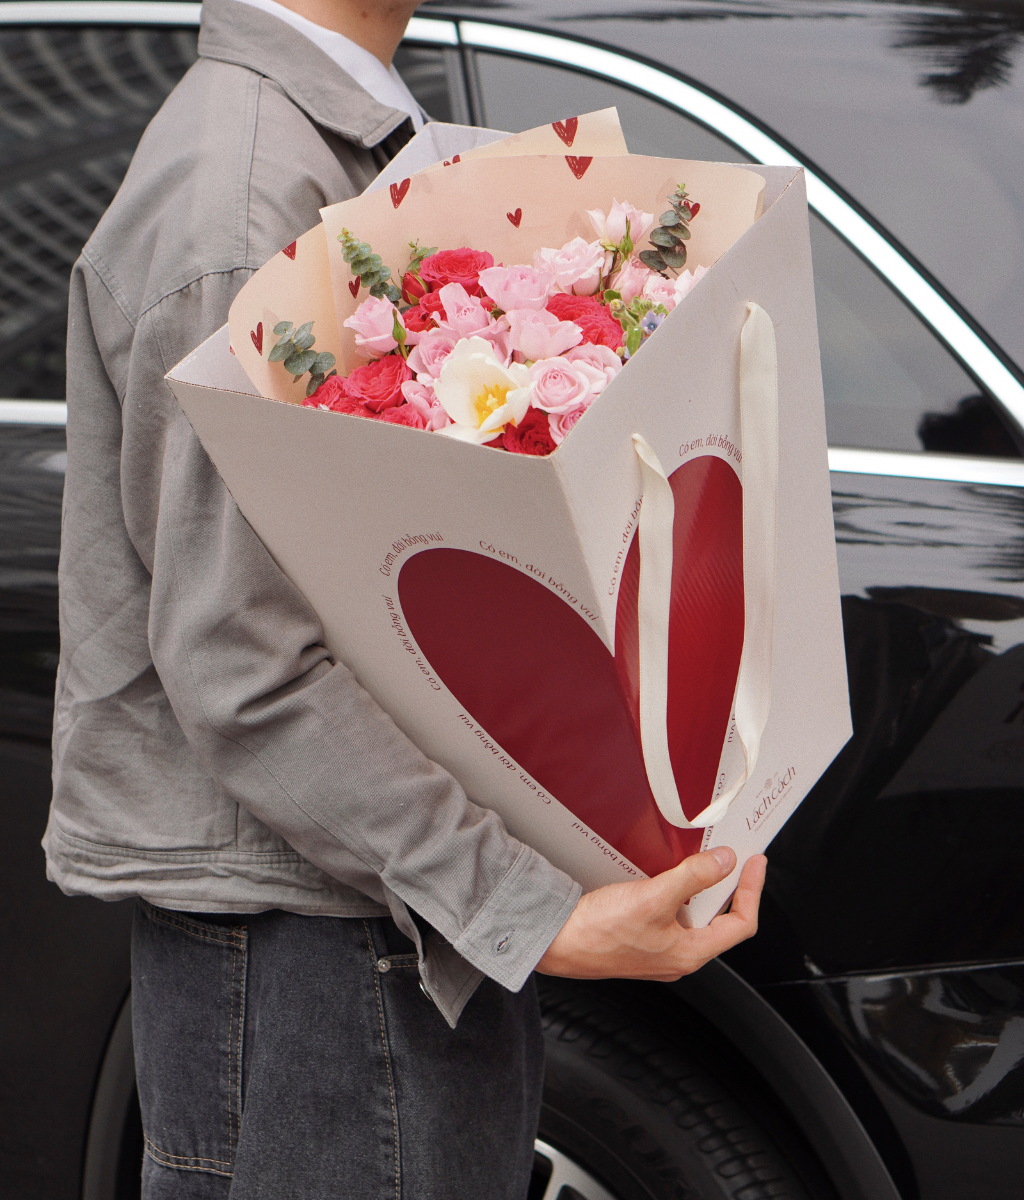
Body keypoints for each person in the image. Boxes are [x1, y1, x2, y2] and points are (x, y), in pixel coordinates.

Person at [44, 0, 767, 1195]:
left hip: (362, 923)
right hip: (316, 951)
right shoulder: (244, 196)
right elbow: (242, 659)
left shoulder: (332, 144)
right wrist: (528, 911)